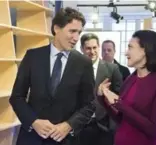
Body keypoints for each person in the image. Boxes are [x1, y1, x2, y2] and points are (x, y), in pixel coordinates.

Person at [9, 7, 96, 145]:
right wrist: (34, 121)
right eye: (72, 31)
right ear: (56, 28)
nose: (76, 38)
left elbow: (90, 104)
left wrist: (69, 125)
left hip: (65, 140)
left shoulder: (83, 63)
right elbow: (17, 97)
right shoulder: (33, 56)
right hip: (32, 139)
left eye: (79, 32)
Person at [98, 30, 156, 145]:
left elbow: (153, 129)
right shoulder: (131, 78)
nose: (126, 53)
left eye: (130, 47)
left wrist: (119, 103)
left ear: (145, 50)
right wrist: (102, 98)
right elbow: (122, 119)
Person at [79, 33, 122, 145]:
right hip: (81, 126)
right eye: (88, 48)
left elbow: (120, 97)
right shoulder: (75, 69)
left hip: (105, 126)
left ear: (98, 47)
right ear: (82, 49)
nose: (92, 52)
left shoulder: (112, 69)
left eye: (94, 48)